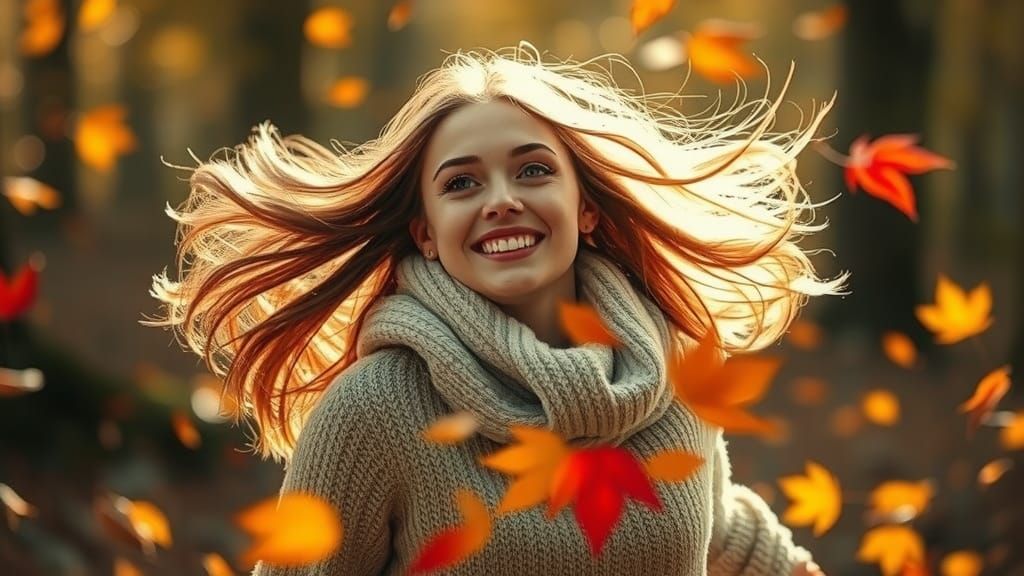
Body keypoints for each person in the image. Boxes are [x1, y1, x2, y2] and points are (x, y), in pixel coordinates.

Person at [145, 41, 845, 575]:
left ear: (587, 208)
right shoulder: (376, 410)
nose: (501, 198)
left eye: (533, 170)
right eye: (461, 184)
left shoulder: (676, 372)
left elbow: (716, 528)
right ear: (426, 231)